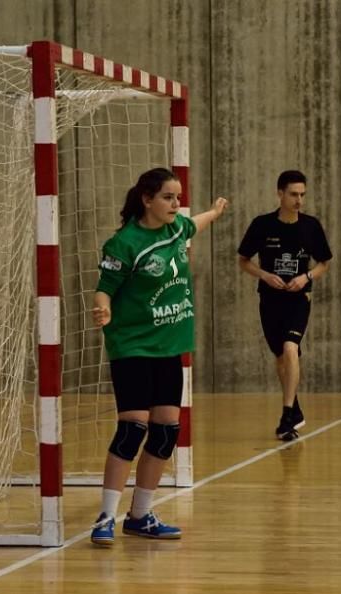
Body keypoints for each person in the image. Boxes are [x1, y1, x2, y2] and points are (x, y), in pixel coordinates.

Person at [90, 168, 228, 547]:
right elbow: (104, 290)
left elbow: (193, 224)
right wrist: (103, 309)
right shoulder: (125, 243)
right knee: (133, 427)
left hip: (170, 345)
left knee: (166, 430)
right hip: (133, 345)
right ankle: (105, 517)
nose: (176, 203)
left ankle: (140, 516)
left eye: (178, 197)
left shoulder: (176, 229)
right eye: (168, 197)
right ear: (147, 199)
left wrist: (214, 213)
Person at [237, 170, 332, 441]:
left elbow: (325, 262)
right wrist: (265, 275)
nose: (299, 200)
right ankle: (295, 409)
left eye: (302, 194)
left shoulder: (311, 226)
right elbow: (243, 260)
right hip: (270, 301)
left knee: (291, 349)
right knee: (281, 357)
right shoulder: (262, 225)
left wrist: (307, 277)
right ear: (280, 193)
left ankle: (287, 415)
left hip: (298, 300)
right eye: (293, 194)